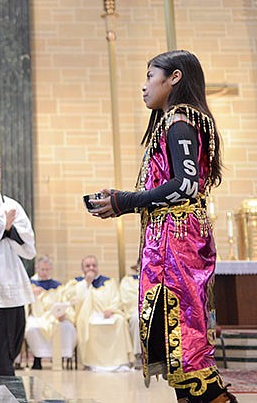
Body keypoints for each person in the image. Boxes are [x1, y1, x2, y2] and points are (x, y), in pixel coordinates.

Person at [87, 50, 237, 402]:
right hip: (168, 239)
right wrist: (124, 200)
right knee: (173, 347)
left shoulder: (180, 121)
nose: (144, 86)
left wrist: (126, 201)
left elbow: (185, 184)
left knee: (185, 342)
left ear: (174, 78)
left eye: (150, 75)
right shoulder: (171, 122)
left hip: (179, 241)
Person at [0, 154, 36, 376]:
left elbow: (29, 243)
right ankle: (1, 374)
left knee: (16, 329)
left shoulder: (11, 204)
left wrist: (8, 230)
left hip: (11, 274)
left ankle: (8, 369)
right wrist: (0, 227)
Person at [69, 255, 133, 372]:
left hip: (108, 314)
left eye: (94, 265)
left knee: (120, 320)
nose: (91, 268)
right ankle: (92, 362)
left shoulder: (109, 282)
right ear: (82, 269)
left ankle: (119, 361)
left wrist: (111, 310)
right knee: (86, 324)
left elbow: (116, 299)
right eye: (87, 266)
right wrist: (87, 283)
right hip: (88, 315)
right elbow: (76, 302)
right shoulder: (77, 283)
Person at [24, 255, 77, 370]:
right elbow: (25, 302)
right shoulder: (31, 284)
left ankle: (60, 358)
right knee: (33, 329)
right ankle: (37, 359)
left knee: (68, 328)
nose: (45, 272)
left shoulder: (57, 286)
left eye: (47, 269)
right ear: (37, 269)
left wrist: (63, 313)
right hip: (38, 316)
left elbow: (64, 301)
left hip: (55, 316)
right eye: (42, 269)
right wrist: (31, 293)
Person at [120, 260, 142, 360]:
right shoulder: (127, 281)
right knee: (137, 318)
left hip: (155, 310)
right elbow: (127, 299)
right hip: (135, 310)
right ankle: (139, 355)